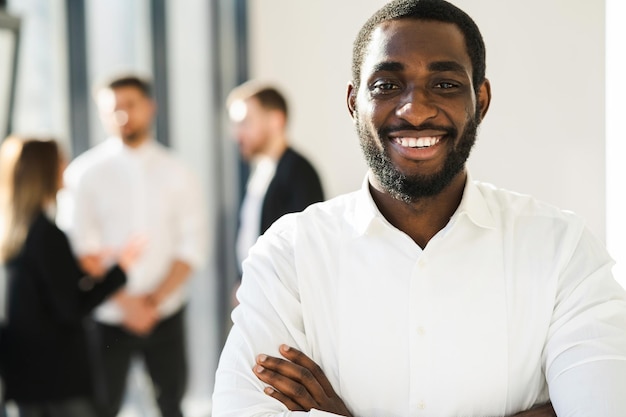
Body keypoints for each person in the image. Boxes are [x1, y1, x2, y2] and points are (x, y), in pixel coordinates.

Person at [211, 0, 626, 416]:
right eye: (387, 85)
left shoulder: (563, 251)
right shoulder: (289, 256)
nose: (416, 110)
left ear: (480, 100)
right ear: (354, 102)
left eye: (444, 84)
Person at [61, 75, 207, 417]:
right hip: (108, 315)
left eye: (131, 105)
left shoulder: (179, 172)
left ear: (150, 107)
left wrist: (152, 301)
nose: (123, 116)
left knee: (171, 405)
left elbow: (192, 246)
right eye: (113, 109)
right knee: (100, 408)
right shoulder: (84, 174)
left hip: (166, 311)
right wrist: (126, 304)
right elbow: (79, 247)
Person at [0, 136, 138, 417]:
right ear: (46, 170)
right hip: (59, 379)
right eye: (60, 161)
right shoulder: (49, 235)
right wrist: (118, 271)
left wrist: (75, 268)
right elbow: (71, 309)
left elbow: (39, 291)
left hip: (24, 376)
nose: (65, 168)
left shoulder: (15, 234)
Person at [227, 82, 324, 270]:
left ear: (275, 121)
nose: (237, 134)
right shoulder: (262, 171)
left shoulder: (299, 172)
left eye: (245, 123)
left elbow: (303, 247)